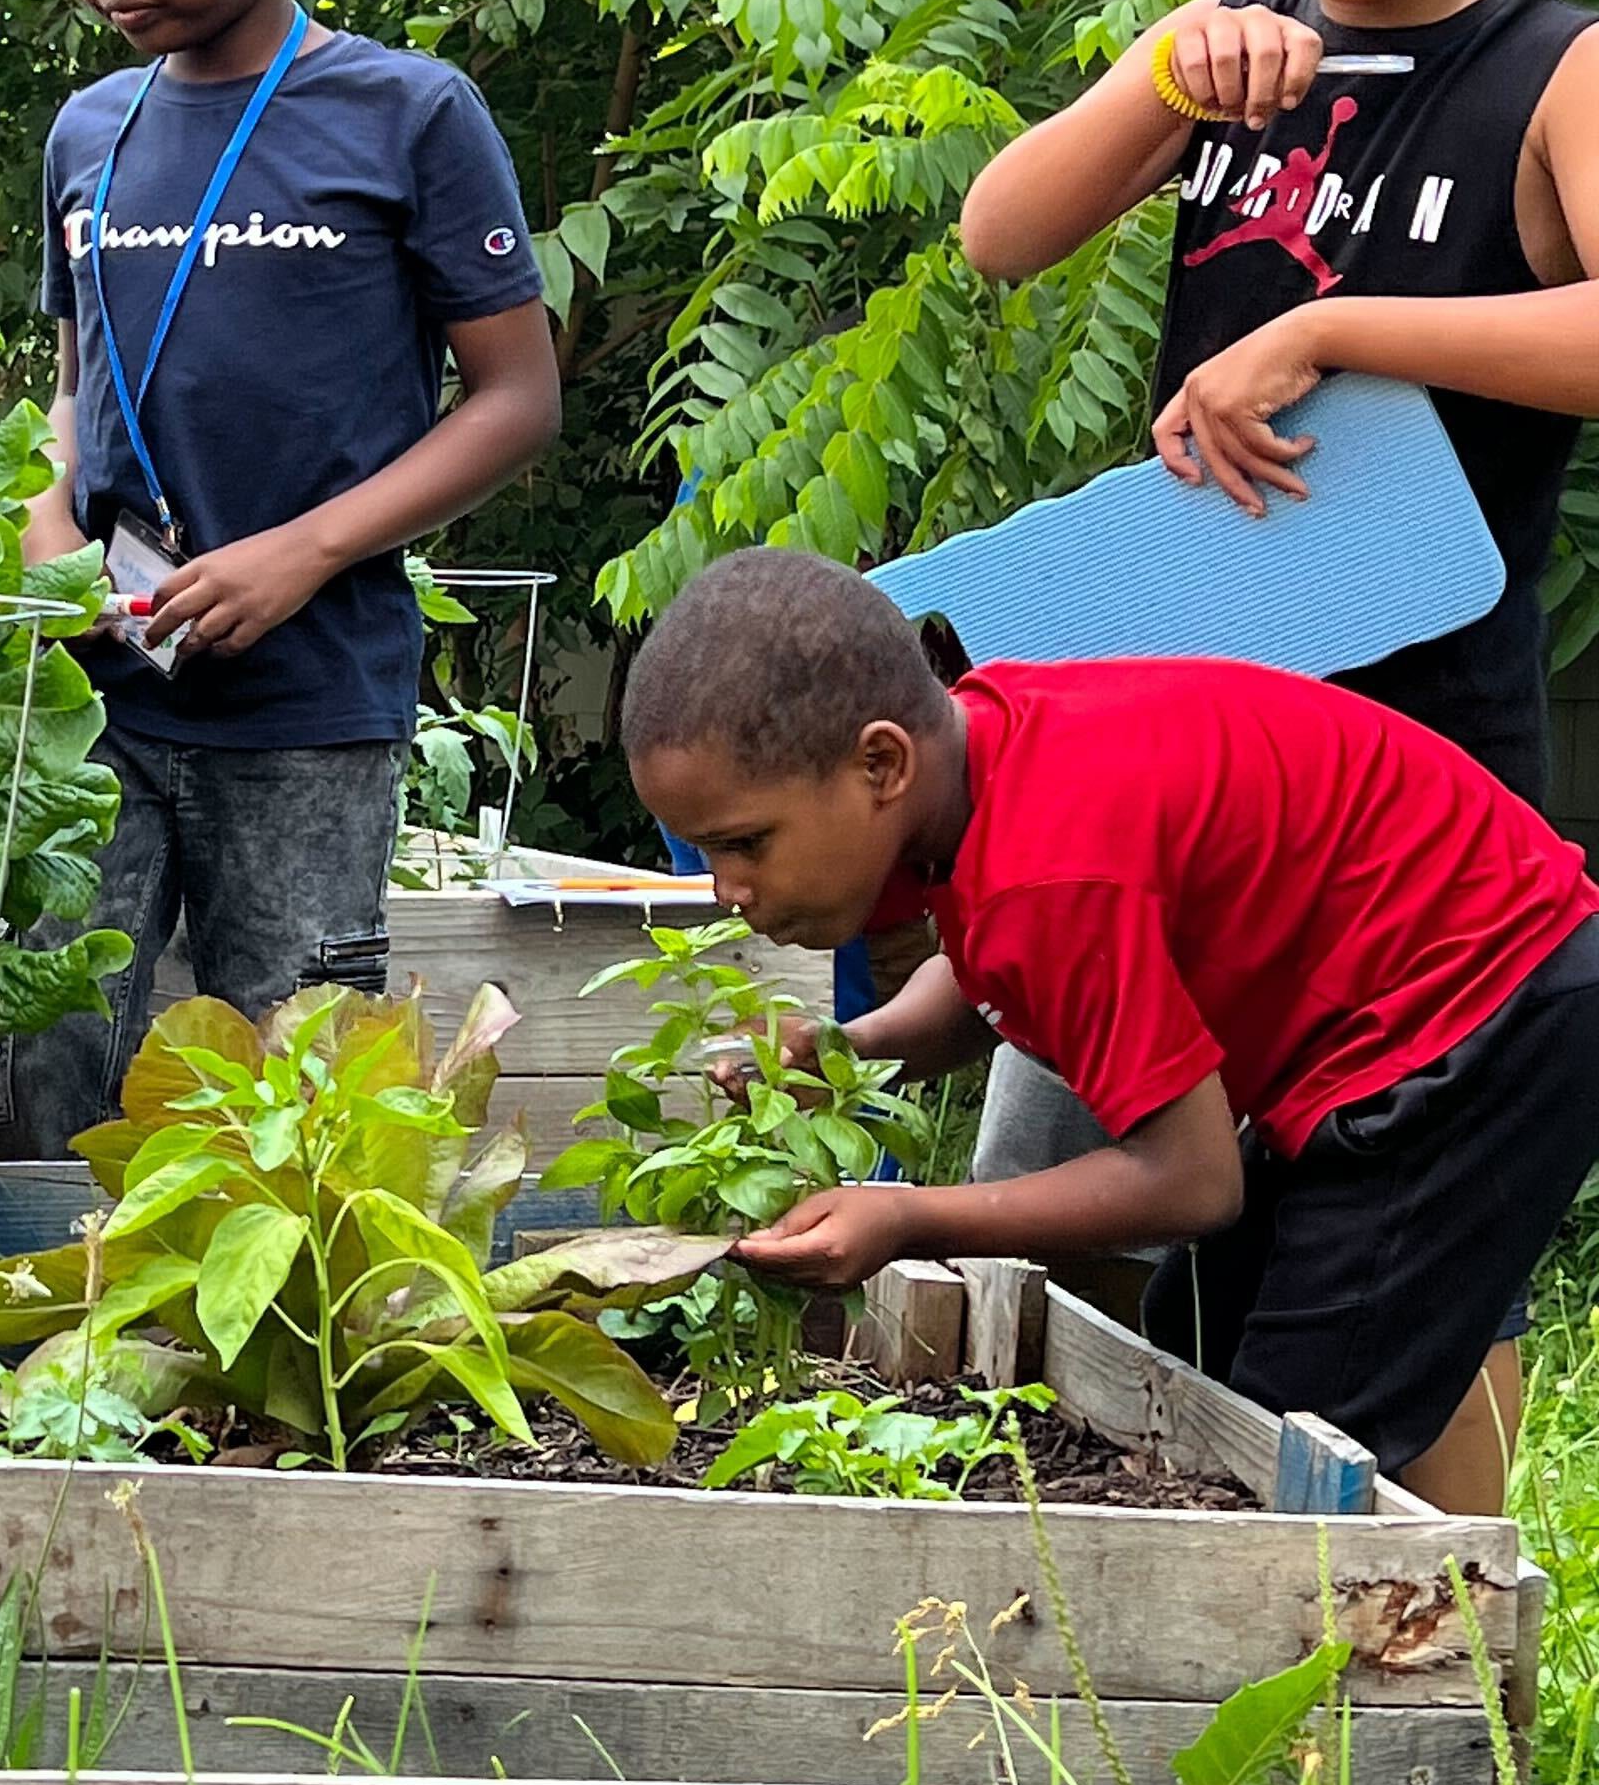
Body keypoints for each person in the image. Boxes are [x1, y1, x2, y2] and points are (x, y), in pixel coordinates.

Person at [952, 0, 1599, 1271]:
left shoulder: (1551, 68)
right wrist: (1156, 74)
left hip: (1418, 754)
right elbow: (997, 235)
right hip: (1163, 744)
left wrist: (1318, 328)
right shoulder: (1230, 59)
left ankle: (1429, 1554)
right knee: (1069, 1215)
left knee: (1398, 1244)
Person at [616, 544, 1599, 1511]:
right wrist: (851, 1053)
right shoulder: (979, 760)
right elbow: (982, 979)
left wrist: (912, 1217)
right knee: (1195, 1332)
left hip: (1482, 1020)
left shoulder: (1052, 866)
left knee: (1285, 1431)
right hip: (1408, 1021)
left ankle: (1431, 1647)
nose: (726, 888)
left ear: (881, 763)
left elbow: (1189, 1179)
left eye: (746, 844)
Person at [5, 0, 562, 1153]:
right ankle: (10, 1369)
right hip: (98, 695)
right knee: (46, 1050)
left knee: (297, 1090)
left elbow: (517, 399)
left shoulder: (407, 116)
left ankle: (269, 1380)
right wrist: (48, 517)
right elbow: (77, 383)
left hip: (310, 704)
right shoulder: (88, 132)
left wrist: (304, 555)